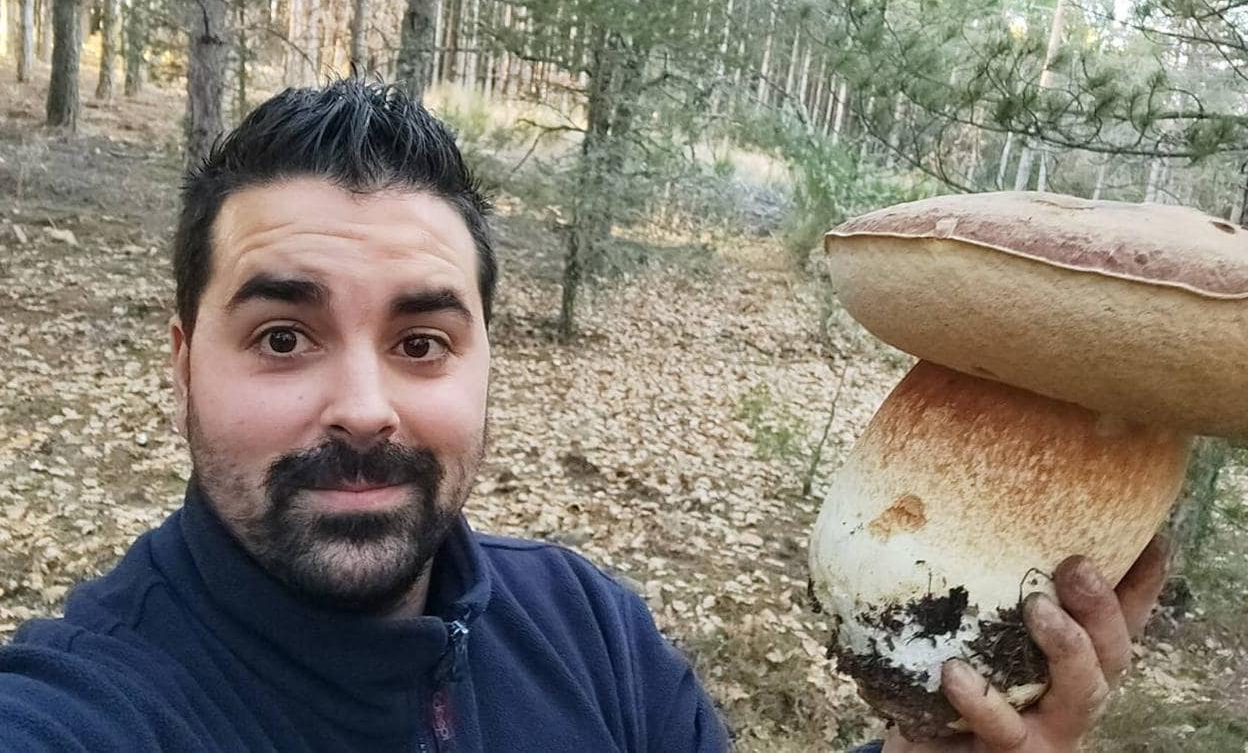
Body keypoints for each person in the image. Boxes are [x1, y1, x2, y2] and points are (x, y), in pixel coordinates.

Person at [0, 78, 1165, 753]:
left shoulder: (588, 627)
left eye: (421, 341)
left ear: (485, 364)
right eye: (282, 336)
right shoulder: (90, 708)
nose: (362, 407)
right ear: (181, 364)